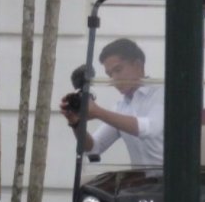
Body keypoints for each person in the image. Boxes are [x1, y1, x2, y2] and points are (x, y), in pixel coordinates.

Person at [61, 38, 164, 166]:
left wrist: (98, 112)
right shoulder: (121, 107)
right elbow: (93, 148)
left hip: (173, 177)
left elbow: (149, 128)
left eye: (118, 70)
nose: (114, 79)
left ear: (138, 65)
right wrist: (75, 122)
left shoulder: (162, 94)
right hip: (141, 178)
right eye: (109, 75)